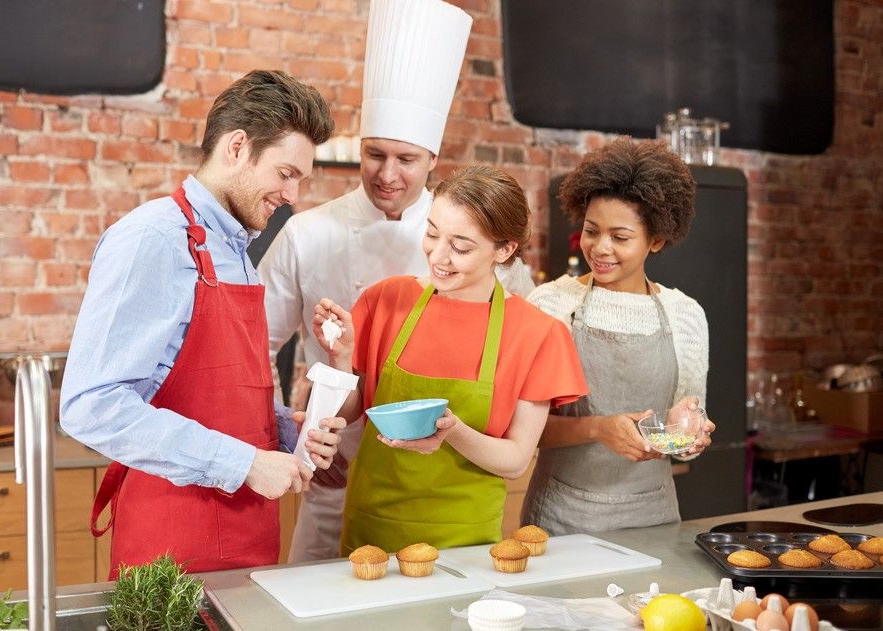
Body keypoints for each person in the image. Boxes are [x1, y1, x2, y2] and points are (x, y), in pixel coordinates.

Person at [259, 0, 533, 562]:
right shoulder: (306, 234)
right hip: (330, 465)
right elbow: (253, 345)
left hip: (447, 476)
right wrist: (291, 435)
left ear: (433, 156)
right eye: (374, 155)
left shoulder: (471, 231)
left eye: (406, 159)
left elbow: (520, 335)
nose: (388, 174)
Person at [60, 70, 345, 576]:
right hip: (172, 553)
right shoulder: (152, 239)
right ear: (237, 147)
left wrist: (282, 430)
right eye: (286, 173)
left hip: (248, 542)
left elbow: (214, 393)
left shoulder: (236, 252)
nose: (294, 194)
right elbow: (91, 406)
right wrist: (245, 464)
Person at [312, 165, 587, 553]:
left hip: (467, 541)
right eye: (432, 233)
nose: (438, 256)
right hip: (373, 529)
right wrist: (340, 361)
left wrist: (451, 432)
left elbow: (515, 460)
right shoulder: (386, 301)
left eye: (460, 247)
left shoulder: (538, 334)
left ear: (504, 249)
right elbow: (352, 411)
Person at [521, 138, 717, 534]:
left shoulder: (686, 316)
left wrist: (692, 432)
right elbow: (521, 432)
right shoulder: (550, 305)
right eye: (592, 231)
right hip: (561, 518)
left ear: (656, 239)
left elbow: (685, 423)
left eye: (620, 237)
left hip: (655, 516)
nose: (600, 248)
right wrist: (597, 428)